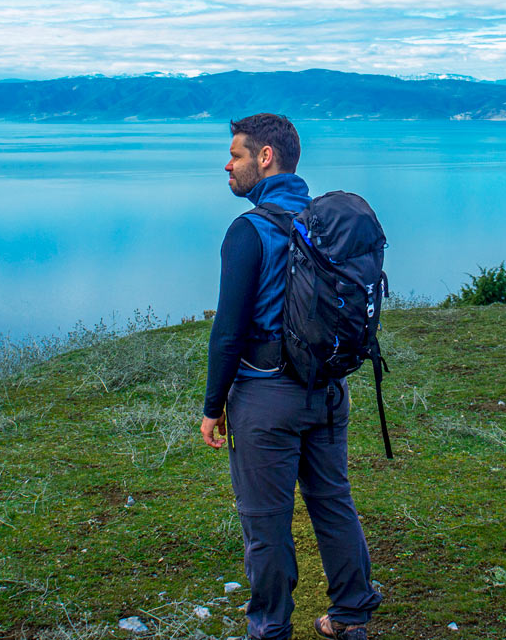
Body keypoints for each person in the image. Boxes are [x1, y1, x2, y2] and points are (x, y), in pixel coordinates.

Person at [200, 113, 382, 640]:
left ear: (265, 157)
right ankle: (350, 617)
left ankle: (271, 629)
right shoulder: (323, 219)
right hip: (328, 389)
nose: (227, 165)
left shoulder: (248, 230)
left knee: (266, 522)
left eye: (235, 154)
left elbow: (228, 331)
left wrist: (214, 407)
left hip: (264, 396)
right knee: (332, 502)